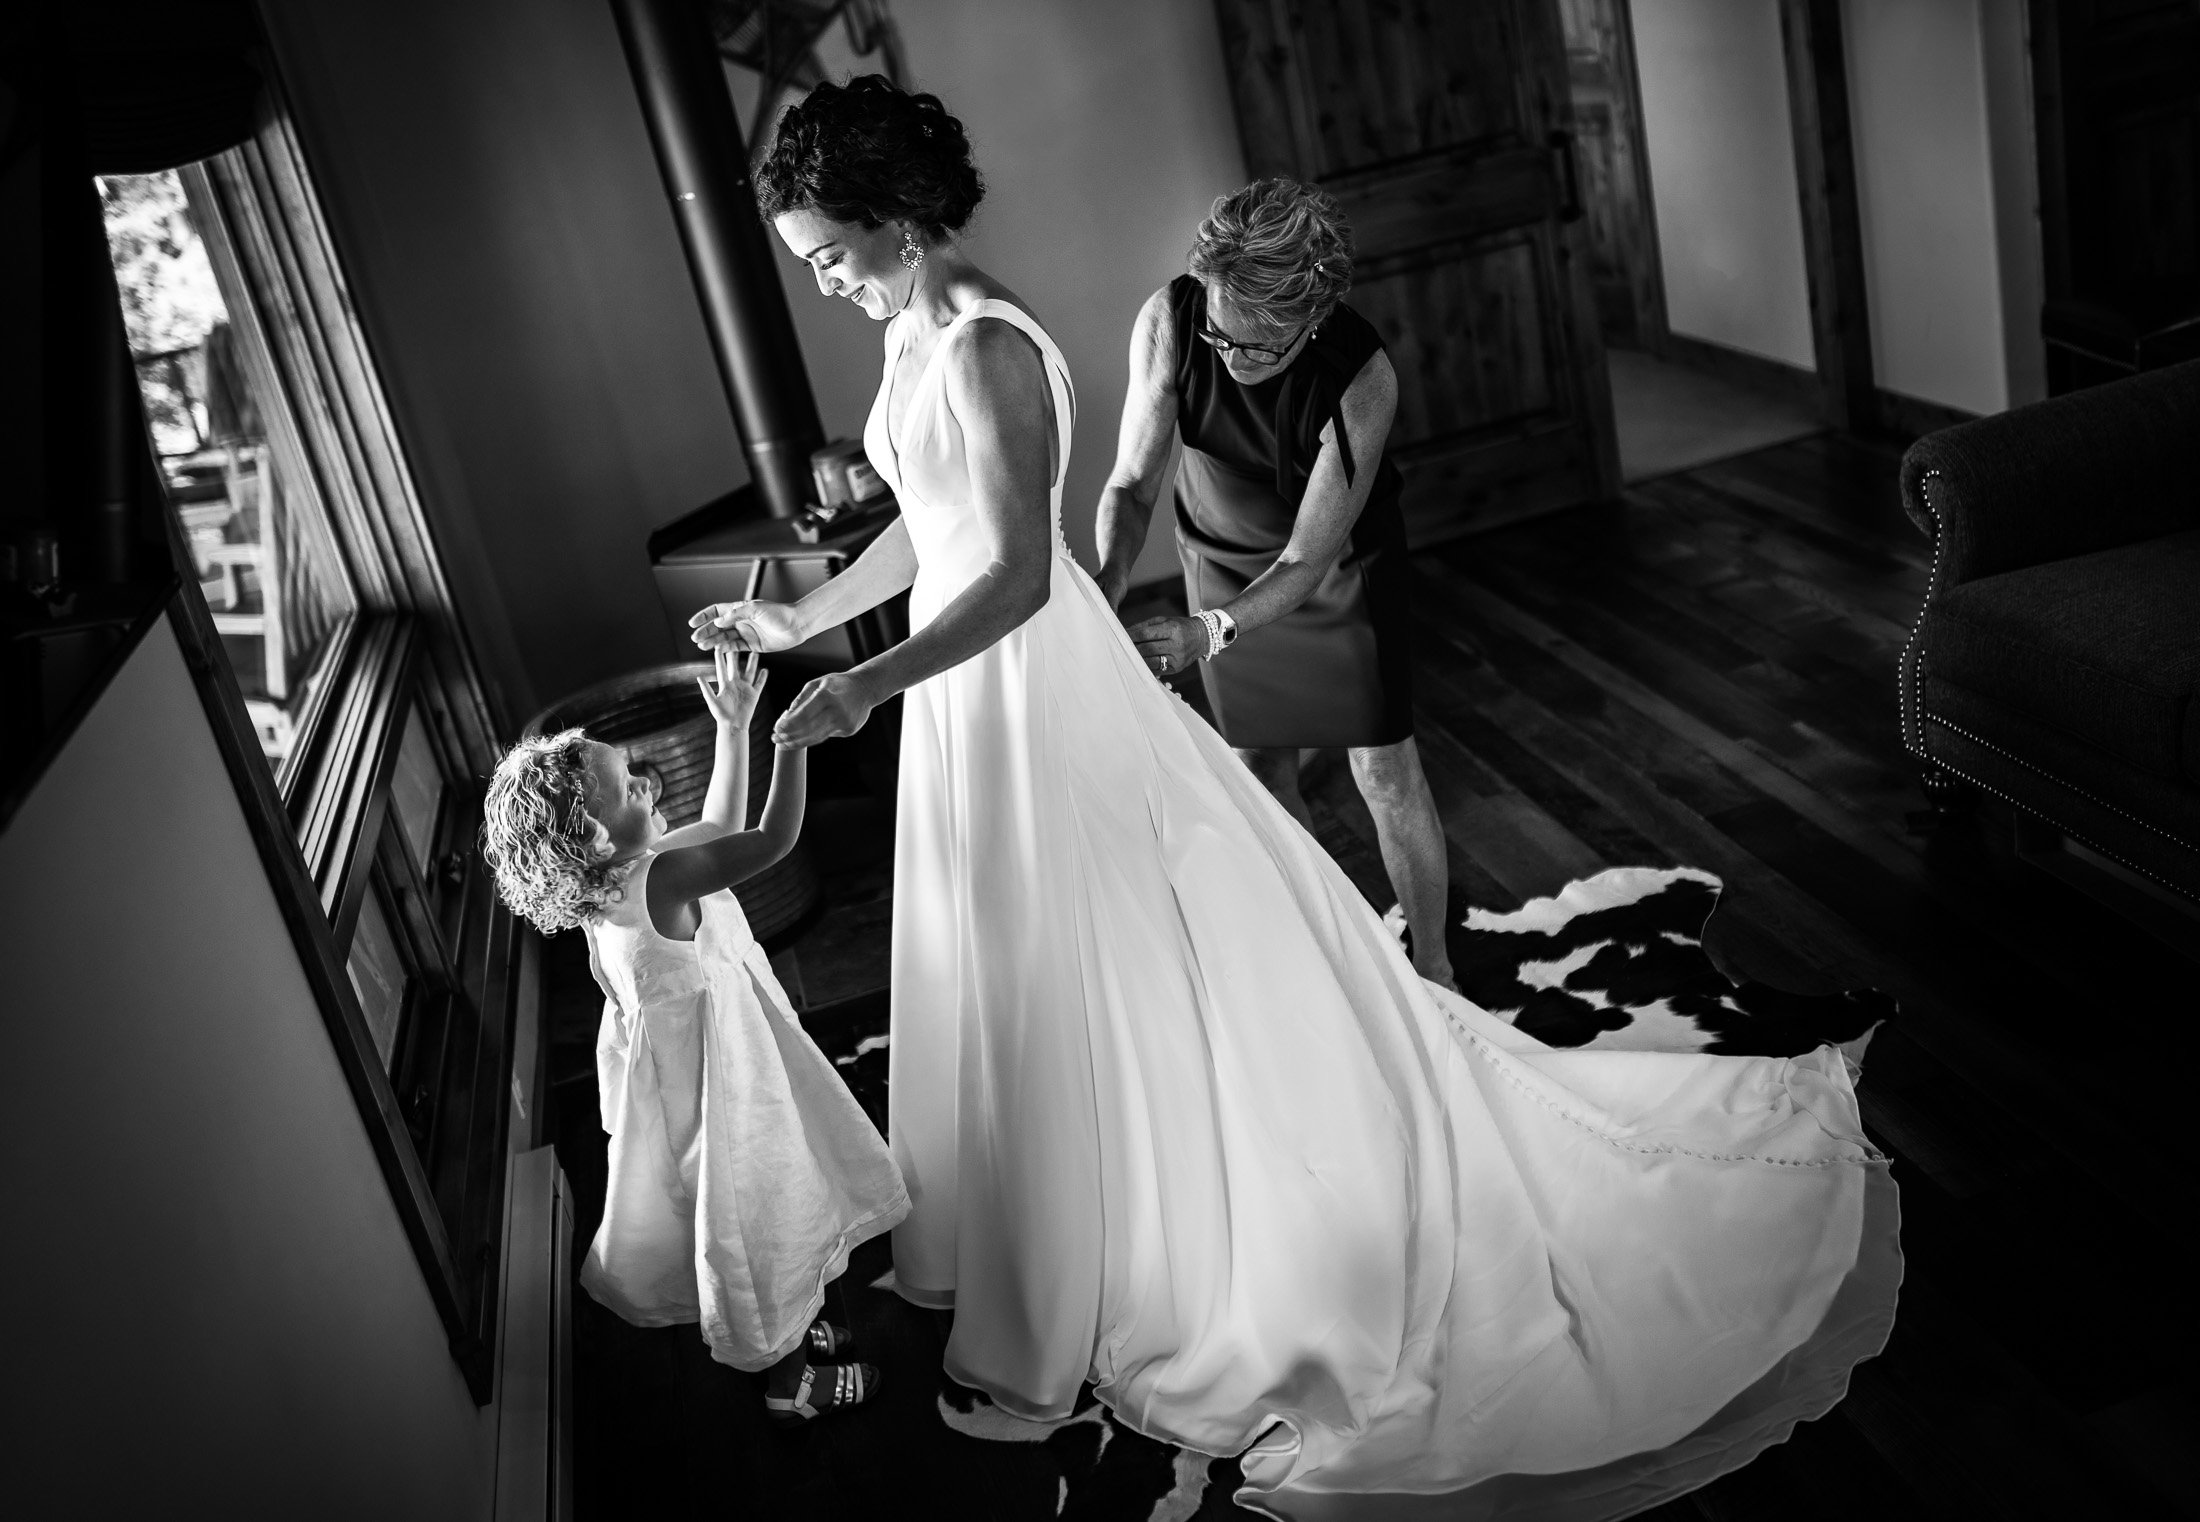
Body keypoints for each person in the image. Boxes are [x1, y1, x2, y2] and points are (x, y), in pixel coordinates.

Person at [694, 74, 1897, 1519]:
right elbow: (935, 528)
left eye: (829, 250)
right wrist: (800, 619)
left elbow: (1013, 573)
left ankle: (1152, 1194)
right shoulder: (917, 332)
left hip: (1039, 664)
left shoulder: (989, 350)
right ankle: (1034, 1199)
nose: (822, 278)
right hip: (980, 684)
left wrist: (867, 687)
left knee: (1109, 928)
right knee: (1019, 944)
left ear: (893, 221)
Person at [481, 649, 907, 1425]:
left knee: (769, 1204)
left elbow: (721, 826)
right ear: (599, 837)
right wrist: (791, 745)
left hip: (694, 1082)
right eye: (627, 786)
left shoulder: (614, 883)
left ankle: (793, 1322)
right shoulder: (660, 880)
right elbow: (769, 839)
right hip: (727, 1090)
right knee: (761, 1214)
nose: (646, 781)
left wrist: (733, 728)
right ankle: (786, 1382)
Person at [1094, 179, 1453, 990]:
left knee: (1383, 770)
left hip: (1334, 569)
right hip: (1216, 547)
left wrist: (1209, 632)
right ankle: (1332, 952)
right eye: (1221, 338)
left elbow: (1304, 562)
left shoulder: (1363, 379)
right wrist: (1106, 585)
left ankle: (1434, 968)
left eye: (1257, 347)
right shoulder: (1173, 319)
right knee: (1260, 764)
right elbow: (1132, 484)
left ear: (1312, 317)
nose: (1232, 357)